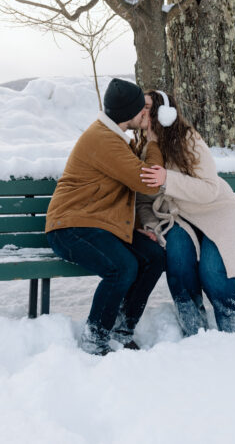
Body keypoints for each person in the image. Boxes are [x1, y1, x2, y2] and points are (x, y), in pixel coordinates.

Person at [45, 78, 167, 355]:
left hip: (97, 223)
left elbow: (115, 193)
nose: (145, 113)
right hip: (70, 227)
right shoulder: (103, 139)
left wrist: (132, 228)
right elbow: (148, 183)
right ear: (128, 113)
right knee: (122, 267)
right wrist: (153, 142)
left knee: (153, 257)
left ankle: (122, 330)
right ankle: (95, 338)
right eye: (141, 108)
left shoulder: (114, 137)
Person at [135, 90, 235, 336]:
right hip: (181, 220)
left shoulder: (188, 140)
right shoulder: (145, 149)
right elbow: (142, 201)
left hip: (218, 213)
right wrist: (150, 225)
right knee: (178, 263)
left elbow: (209, 189)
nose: (141, 111)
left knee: (212, 271)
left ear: (164, 113)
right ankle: (194, 331)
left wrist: (167, 179)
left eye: (147, 106)